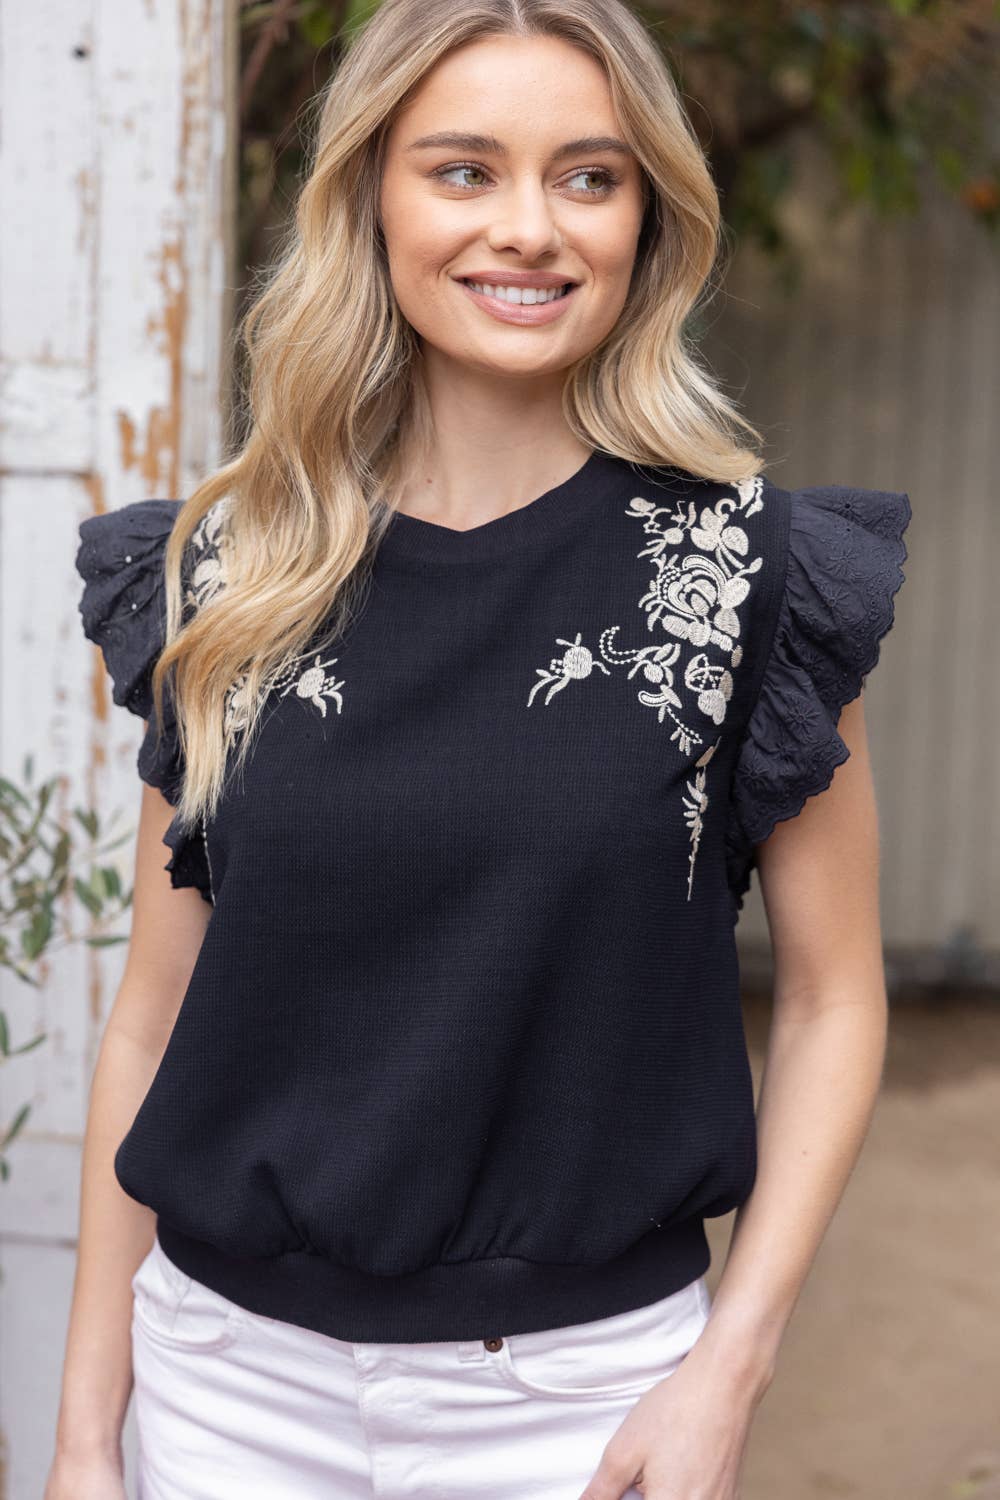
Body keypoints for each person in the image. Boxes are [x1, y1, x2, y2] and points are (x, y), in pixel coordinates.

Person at [47, 0, 912, 1495]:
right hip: (225, 1394)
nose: (530, 226)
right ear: (371, 198)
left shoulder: (749, 580)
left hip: (579, 1408)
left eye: (589, 177)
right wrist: (80, 1441)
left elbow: (836, 1001)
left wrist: (731, 1369)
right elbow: (155, 1014)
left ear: (648, 218)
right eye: (464, 170)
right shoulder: (231, 572)